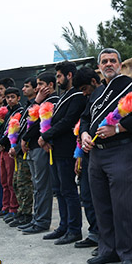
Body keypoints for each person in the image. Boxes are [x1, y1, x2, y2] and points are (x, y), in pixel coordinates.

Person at [80, 48, 132, 264]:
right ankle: (107, 249)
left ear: (120, 64)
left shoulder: (131, 86)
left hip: (121, 151)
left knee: (123, 205)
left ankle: (127, 253)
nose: (108, 64)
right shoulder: (98, 92)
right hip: (96, 154)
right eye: (104, 61)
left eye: (112, 60)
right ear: (99, 67)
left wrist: (117, 128)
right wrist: (84, 134)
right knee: (101, 205)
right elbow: (85, 118)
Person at [38, 61, 87, 245]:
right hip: (55, 149)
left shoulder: (77, 96)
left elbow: (68, 121)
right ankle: (63, 226)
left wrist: (46, 135)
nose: (57, 80)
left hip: (67, 150)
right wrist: (47, 137)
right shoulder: (64, 96)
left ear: (69, 75)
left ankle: (74, 229)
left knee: (68, 190)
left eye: (59, 76)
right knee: (59, 190)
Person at [20, 72, 60, 235]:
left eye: (41, 84)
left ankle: (42, 221)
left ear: (50, 85)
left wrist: (25, 137)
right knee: (37, 185)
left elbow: (36, 124)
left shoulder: (53, 101)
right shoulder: (40, 102)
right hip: (32, 147)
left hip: (41, 147)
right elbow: (25, 120)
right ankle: (36, 219)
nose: (37, 88)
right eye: (37, 85)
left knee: (42, 186)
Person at [72, 66, 103, 250]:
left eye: (84, 89)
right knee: (86, 195)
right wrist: (83, 135)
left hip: (101, 154)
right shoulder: (89, 99)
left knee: (99, 198)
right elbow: (84, 121)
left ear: (93, 81)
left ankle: (104, 237)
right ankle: (94, 233)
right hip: (86, 153)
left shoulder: (105, 95)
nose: (84, 93)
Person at [7, 77, 37, 228]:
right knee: (16, 182)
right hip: (18, 149)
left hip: (26, 149)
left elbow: (29, 130)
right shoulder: (27, 106)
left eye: (27, 86)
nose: (24, 89)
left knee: (24, 183)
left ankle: (26, 213)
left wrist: (18, 146)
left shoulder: (35, 106)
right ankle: (20, 211)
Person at [0, 87, 24, 222]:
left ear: (18, 98)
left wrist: (0, 142)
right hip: (3, 150)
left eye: (12, 97)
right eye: (7, 97)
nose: (10, 100)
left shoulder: (20, 111)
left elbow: (12, 132)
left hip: (11, 150)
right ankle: (5, 206)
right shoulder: (6, 112)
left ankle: (13, 208)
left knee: (11, 181)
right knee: (4, 180)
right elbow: (2, 129)